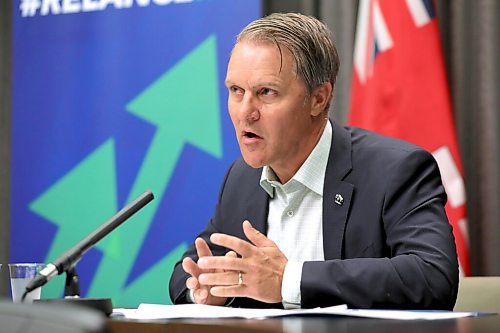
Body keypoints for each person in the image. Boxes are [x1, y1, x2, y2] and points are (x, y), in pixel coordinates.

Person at [169, 12, 459, 310]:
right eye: (236, 91)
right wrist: (212, 289)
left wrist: (288, 280)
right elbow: (187, 273)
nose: (245, 112)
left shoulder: (395, 170)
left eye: (266, 92)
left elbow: (432, 277)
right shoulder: (241, 178)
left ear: (319, 98)